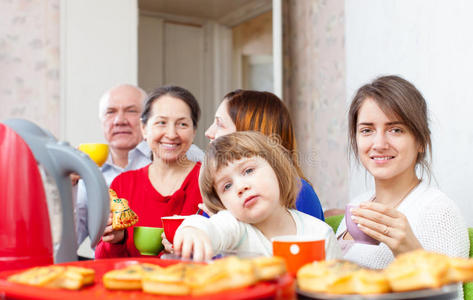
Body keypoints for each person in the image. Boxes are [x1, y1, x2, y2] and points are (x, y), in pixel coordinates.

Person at [336, 75, 469, 270]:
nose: (379, 144)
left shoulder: (439, 213)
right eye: (367, 130)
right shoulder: (358, 205)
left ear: (422, 141)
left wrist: (411, 254)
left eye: (396, 130)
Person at [173, 131, 341, 261]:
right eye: (227, 186)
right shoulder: (235, 227)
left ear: (276, 170)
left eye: (248, 170)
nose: (241, 187)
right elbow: (212, 228)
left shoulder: (320, 234)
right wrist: (192, 229)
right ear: (222, 204)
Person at [75, 84, 203, 249]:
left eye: (182, 124)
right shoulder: (121, 183)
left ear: (194, 131)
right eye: (161, 122)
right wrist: (118, 239)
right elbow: (92, 249)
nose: (171, 134)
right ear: (144, 129)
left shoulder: (208, 179)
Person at [204, 90, 325, 221]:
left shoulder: (298, 193)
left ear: (248, 134)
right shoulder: (221, 194)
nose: (208, 132)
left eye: (219, 124)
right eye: (227, 186)